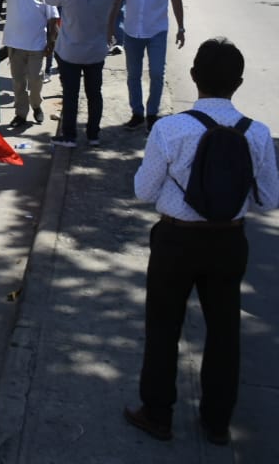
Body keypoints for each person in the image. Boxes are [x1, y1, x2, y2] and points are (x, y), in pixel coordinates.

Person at [123, 38, 279, 446]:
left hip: (177, 239)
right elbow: (269, 199)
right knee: (225, 331)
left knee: (163, 328)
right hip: (229, 243)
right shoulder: (258, 134)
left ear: (193, 77)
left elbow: (143, 191)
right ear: (240, 83)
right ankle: (217, 422)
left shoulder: (170, 128)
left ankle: (157, 413)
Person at [110, 0, 185, 132]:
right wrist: (110, 27)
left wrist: (181, 27)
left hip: (157, 31)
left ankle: (152, 113)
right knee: (133, 74)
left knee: (157, 73)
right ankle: (137, 113)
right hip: (132, 31)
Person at [45, 0, 113, 147]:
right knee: (94, 94)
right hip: (96, 51)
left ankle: (69, 136)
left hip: (70, 52)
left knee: (71, 94)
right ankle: (93, 135)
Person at [0, 0, 59, 127]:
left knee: (36, 80)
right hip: (15, 45)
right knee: (18, 83)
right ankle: (20, 114)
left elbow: (53, 19)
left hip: (37, 45)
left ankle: (36, 105)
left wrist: (51, 42)